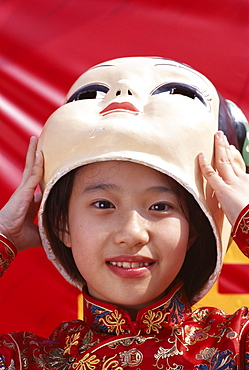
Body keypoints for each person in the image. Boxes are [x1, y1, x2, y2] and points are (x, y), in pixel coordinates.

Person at [0, 57, 249, 369]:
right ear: (62, 223)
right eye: (103, 204)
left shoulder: (236, 345)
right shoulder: (30, 361)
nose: (132, 234)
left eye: (160, 207)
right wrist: (3, 235)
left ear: (195, 228)